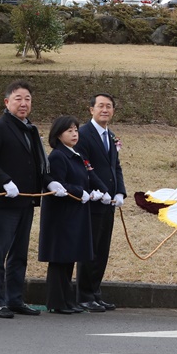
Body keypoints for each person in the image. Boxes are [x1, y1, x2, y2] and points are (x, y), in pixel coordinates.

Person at [0, 80, 46, 318]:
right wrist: (5, 180)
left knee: (20, 253)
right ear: (7, 102)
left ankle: (15, 298)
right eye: (18, 98)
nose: (23, 103)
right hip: (4, 201)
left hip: (26, 200)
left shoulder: (30, 129)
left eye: (27, 98)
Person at [39, 116, 99, 314]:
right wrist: (77, 190)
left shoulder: (74, 154)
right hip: (61, 216)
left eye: (76, 130)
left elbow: (83, 179)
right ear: (58, 135)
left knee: (69, 258)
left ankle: (68, 300)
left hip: (74, 213)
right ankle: (57, 302)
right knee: (60, 259)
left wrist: (92, 191)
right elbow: (57, 183)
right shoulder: (58, 156)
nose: (74, 134)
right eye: (69, 131)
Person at [80, 93, 126, 311]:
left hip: (109, 203)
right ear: (91, 110)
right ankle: (84, 295)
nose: (105, 110)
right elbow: (85, 166)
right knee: (89, 250)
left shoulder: (111, 135)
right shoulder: (83, 134)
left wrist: (120, 192)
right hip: (92, 200)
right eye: (100, 106)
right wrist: (103, 190)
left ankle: (96, 292)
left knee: (102, 249)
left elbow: (116, 167)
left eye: (109, 106)